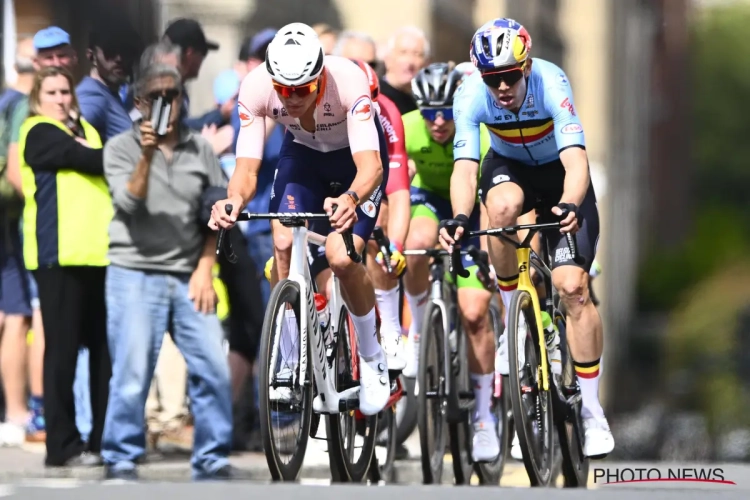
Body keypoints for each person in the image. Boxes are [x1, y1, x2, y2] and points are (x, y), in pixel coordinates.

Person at [438, 18, 614, 459]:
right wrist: (460, 216)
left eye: (509, 76)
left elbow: (576, 161)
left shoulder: (552, 82)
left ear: (527, 66)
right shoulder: (471, 95)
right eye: (492, 78)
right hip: (510, 169)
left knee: (573, 288)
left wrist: (572, 203)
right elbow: (464, 167)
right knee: (498, 210)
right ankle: (513, 311)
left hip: (559, 175)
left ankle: (592, 411)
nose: (500, 87)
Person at [210, 22, 392, 416]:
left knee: (341, 258)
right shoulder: (257, 87)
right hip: (304, 156)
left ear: (320, 76)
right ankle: (291, 350)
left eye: (302, 90)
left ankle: (374, 357)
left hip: (356, 164)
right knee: (281, 239)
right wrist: (233, 201)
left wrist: (350, 198)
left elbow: (371, 167)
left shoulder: (348, 82)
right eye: (283, 90)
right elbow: (246, 168)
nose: (291, 100)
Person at [101, 61, 232, 481]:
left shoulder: (201, 148)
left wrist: (206, 267)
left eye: (171, 95)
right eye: (154, 97)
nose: (164, 104)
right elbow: (129, 204)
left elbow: (216, 210)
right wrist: (147, 154)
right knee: (132, 368)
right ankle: (121, 454)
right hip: (133, 270)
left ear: (181, 97)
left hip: (189, 271)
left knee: (213, 363)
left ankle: (212, 457)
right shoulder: (120, 147)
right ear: (139, 102)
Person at [399, 62, 499, 460]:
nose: (439, 122)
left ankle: (485, 418)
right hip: (431, 204)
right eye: (430, 113)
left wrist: (488, 253)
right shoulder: (407, 127)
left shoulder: (481, 128)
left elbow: (492, 198)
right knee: (415, 244)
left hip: (475, 211)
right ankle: (421, 328)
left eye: (446, 112)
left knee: (474, 313)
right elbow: (389, 184)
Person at [19, 65, 112, 467]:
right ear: (38, 99)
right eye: (52, 93)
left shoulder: (88, 132)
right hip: (58, 257)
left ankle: (102, 439)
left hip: (98, 254)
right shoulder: (37, 131)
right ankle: (62, 445)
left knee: (102, 355)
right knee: (62, 352)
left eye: (65, 93)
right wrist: (121, 153)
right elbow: (89, 161)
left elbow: (95, 157)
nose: (61, 99)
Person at [0, 37, 46, 446]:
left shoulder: (4, 102)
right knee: (17, 315)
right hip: (13, 222)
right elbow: (16, 173)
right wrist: (42, 205)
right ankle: (20, 412)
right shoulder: (19, 106)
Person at [77, 15, 143, 142]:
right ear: (91, 56)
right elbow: (67, 136)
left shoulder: (109, 93)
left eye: (126, 50)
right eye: (110, 50)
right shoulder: (93, 95)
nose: (119, 58)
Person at [163, 18, 234, 130]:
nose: (202, 60)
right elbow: (172, 131)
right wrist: (220, 115)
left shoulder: (177, 85)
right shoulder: (162, 86)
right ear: (189, 53)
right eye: (203, 53)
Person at [380, 26, 429, 115]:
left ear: (425, 63)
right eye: (403, 53)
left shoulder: (423, 102)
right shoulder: (376, 99)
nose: (409, 61)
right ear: (387, 59)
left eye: (417, 54)